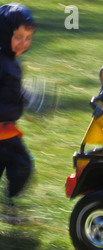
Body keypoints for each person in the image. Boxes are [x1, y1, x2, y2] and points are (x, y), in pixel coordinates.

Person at [0, 3, 35, 224]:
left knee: (22, 165)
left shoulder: (12, 61)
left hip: (7, 130)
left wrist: (27, 96)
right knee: (19, 164)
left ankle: (8, 205)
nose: (24, 43)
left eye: (28, 37)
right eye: (18, 36)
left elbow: (10, 90)